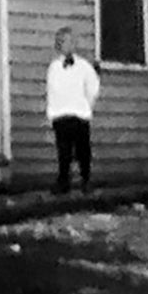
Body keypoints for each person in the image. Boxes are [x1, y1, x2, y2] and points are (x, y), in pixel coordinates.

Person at [46, 26, 101, 194]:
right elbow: (51, 91)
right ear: (58, 45)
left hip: (79, 115)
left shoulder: (84, 66)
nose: (69, 45)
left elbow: (93, 88)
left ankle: (86, 180)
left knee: (83, 150)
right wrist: (52, 114)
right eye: (64, 42)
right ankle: (63, 182)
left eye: (71, 41)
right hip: (61, 116)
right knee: (64, 152)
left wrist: (86, 107)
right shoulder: (54, 67)